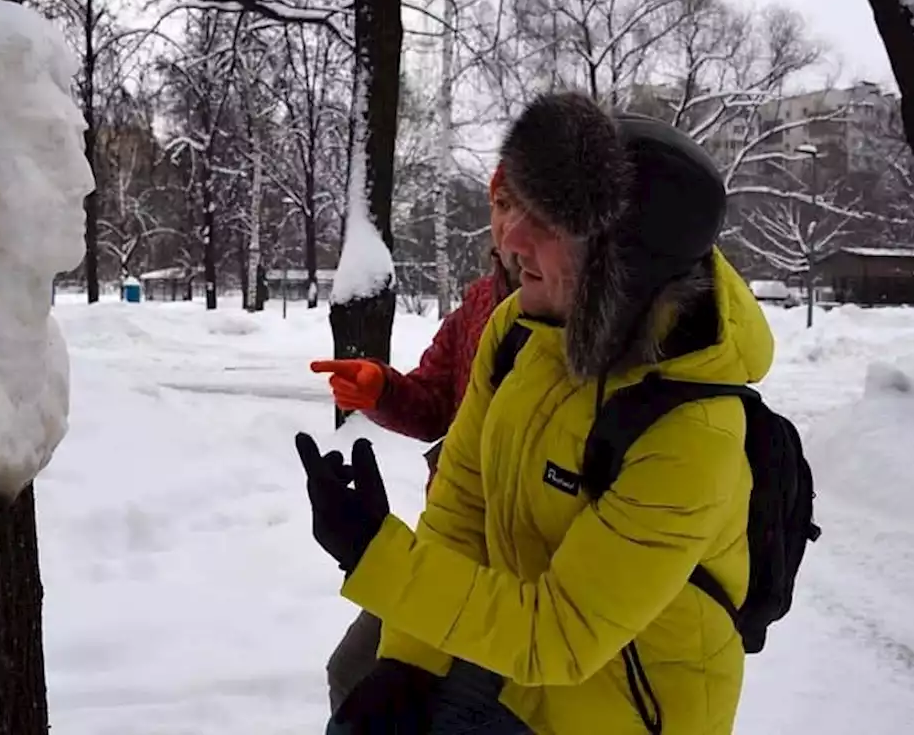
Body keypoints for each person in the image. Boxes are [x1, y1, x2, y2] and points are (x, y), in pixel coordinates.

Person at [295, 91, 775, 735]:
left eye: (548, 223)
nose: (512, 239)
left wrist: (374, 555)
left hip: (620, 701)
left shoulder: (694, 432)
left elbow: (562, 635)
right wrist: (408, 663)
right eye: (514, 206)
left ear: (621, 266)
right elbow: (465, 503)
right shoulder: (519, 328)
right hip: (514, 641)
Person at [309, 171, 519, 713]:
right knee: (353, 671)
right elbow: (433, 402)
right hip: (448, 542)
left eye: (531, 207)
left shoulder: (586, 315)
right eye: (502, 204)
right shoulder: (479, 303)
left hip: (523, 570)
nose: (511, 223)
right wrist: (381, 388)